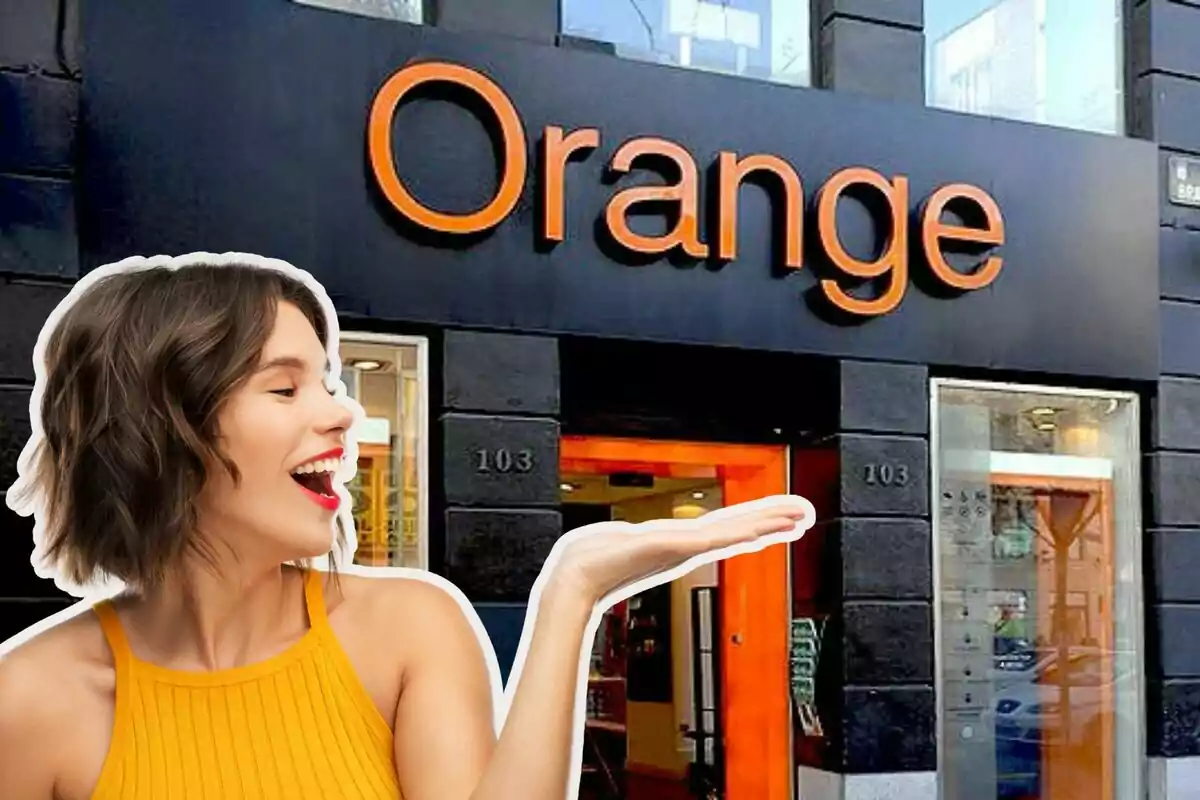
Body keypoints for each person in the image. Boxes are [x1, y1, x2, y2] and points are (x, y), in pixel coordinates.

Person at [0, 254, 812, 800]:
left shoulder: (409, 626)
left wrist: (574, 589)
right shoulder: (28, 698)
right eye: (285, 391)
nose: (344, 411)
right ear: (156, 432)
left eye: (328, 380)